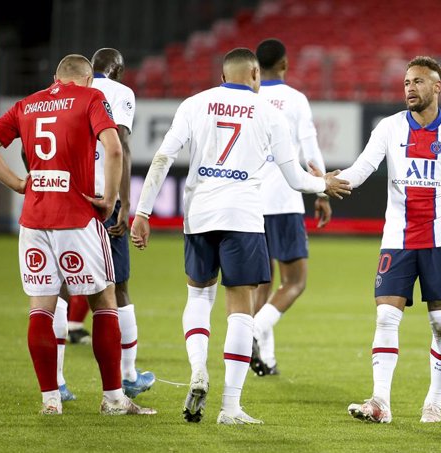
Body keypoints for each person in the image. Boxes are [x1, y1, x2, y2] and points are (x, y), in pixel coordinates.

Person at [130, 48, 350, 425]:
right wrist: (323, 184)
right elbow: (294, 177)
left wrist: (143, 212)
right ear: (253, 74)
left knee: (199, 295)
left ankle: (199, 369)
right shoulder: (270, 113)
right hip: (244, 217)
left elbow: (163, 158)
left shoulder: (194, 104)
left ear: (222, 75)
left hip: (199, 214)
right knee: (240, 308)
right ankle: (230, 407)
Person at [0, 54, 155, 415]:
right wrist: (109, 199)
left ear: (55, 76)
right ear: (89, 80)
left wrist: (16, 183)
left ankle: (50, 401)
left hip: (33, 221)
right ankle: (114, 398)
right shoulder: (91, 99)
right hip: (76, 216)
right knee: (104, 301)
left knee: (41, 307)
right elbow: (115, 146)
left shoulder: (28, 104)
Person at [338, 56, 441, 424]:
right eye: (406, 82)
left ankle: (434, 400)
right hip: (397, 239)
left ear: (438, 87)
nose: (410, 88)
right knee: (386, 316)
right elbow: (362, 169)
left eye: (418, 81)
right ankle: (380, 402)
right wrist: (330, 182)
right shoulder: (388, 128)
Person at [51, 48, 155, 402]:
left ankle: (58, 383)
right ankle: (127, 376)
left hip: (65, 196)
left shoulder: (58, 95)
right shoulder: (120, 93)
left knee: (61, 287)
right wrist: (124, 201)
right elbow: (120, 147)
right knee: (118, 286)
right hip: (102, 198)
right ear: (119, 71)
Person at [248, 38, 332, 377]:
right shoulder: (295, 100)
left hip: (250, 200)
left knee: (260, 282)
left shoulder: (247, 98)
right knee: (294, 281)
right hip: (284, 198)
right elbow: (309, 150)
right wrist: (323, 192)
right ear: (284, 64)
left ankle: (264, 360)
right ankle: (252, 332)